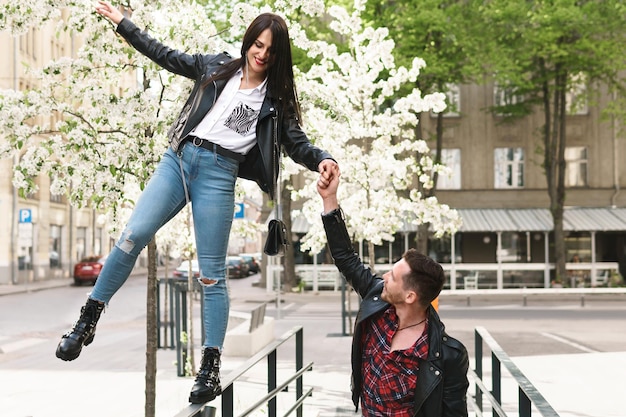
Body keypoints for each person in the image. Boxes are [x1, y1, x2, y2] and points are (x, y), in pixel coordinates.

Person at [56, 0, 339, 405]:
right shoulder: (215, 66)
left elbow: (298, 145)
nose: (260, 54)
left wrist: (323, 158)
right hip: (179, 161)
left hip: (219, 175)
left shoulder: (275, 102)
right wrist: (124, 24)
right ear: (248, 43)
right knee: (132, 234)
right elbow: (165, 55)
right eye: (256, 44)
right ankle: (88, 320)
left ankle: (209, 367)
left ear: (278, 57)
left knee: (212, 275)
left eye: (269, 50)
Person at [316, 168, 469, 416]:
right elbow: (346, 258)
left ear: (410, 296)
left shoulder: (448, 355)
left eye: (393, 277)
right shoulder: (378, 300)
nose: (384, 277)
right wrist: (329, 199)